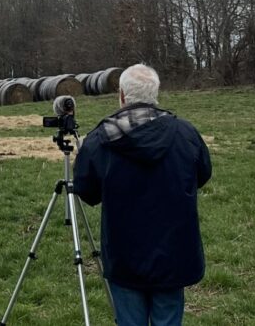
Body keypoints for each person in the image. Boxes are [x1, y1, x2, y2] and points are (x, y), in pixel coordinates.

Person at [73, 64, 212, 326]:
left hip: (124, 254)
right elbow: (202, 174)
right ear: (155, 93)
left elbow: (85, 189)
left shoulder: (101, 139)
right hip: (174, 252)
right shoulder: (185, 133)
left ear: (122, 95)